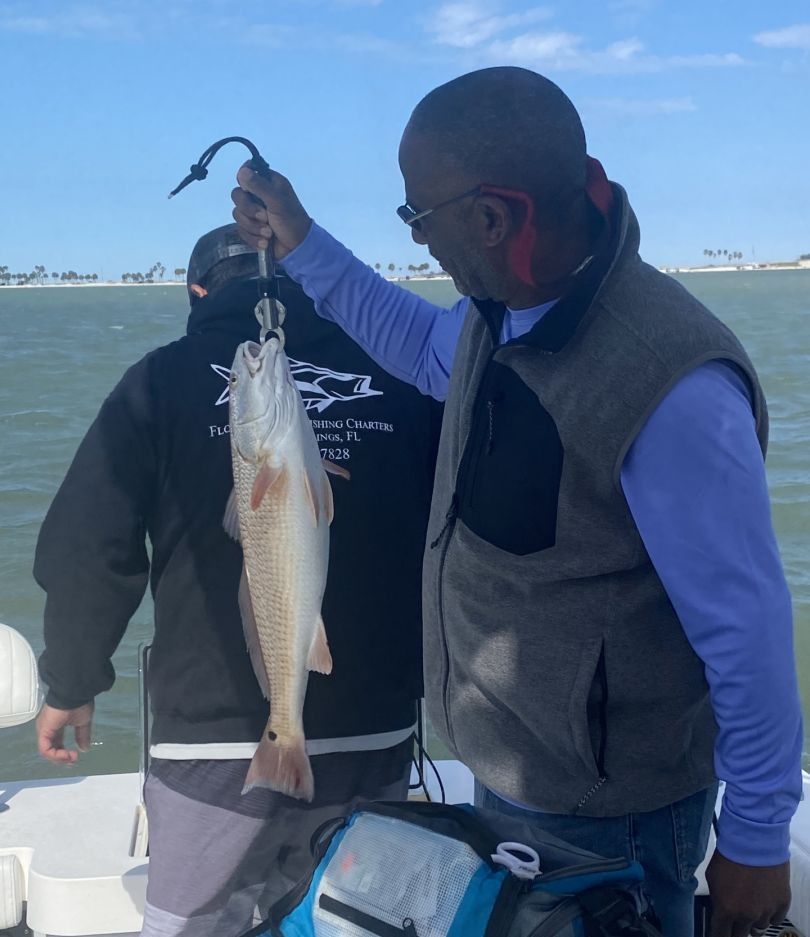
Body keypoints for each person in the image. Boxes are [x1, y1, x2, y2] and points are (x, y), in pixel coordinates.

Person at [231, 67, 803, 937]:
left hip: (618, 816)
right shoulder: (496, 314)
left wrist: (757, 841)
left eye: (418, 216)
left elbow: (748, 627)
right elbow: (412, 337)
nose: (418, 241)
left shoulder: (670, 385)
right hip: (512, 775)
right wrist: (300, 239)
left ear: (492, 218)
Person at [33, 224, 442, 936]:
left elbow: (88, 544)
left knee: (199, 924)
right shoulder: (405, 376)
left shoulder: (159, 381)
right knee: (355, 922)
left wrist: (72, 682)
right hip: (374, 726)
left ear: (196, 293)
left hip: (207, 738)